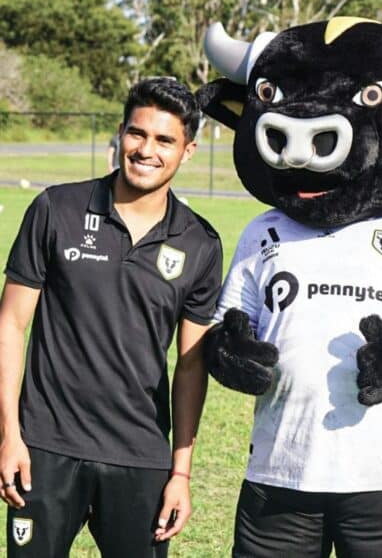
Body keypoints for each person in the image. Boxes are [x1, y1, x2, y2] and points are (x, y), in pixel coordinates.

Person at [0, 77, 222, 557]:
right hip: (46, 447)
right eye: (137, 134)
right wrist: (10, 437)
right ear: (121, 133)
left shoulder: (200, 243)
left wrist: (180, 472)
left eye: (165, 140)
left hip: (140, 455)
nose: (147, 150)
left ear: (187, 151)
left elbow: (191, 366)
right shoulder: (56, 209)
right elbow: (11, 325)